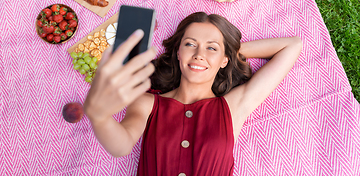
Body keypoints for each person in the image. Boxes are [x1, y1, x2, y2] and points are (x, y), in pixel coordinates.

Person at [84, 12, 302, 175]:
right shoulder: (147, 102)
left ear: (225, 60)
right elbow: (121, 146)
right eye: (190, 44)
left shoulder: (233, 107)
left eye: (211, 47)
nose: (199, 54)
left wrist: (227, 52)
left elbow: (292, 46)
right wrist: (100, 118)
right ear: (178, 52)